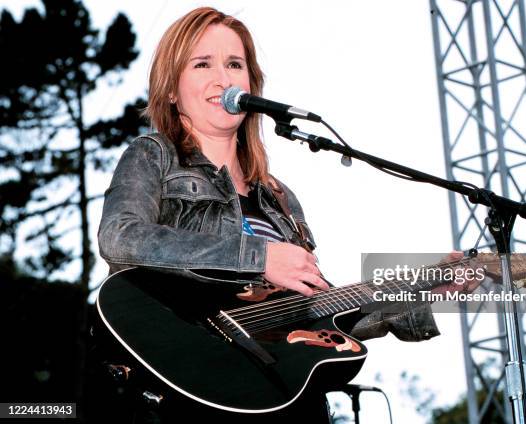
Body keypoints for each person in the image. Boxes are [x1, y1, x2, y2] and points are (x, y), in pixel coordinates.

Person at [95, 6, 479, 423]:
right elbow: (120, 236)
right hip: (195, 391)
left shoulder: (280, 198)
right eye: (202, 63)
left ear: (251, 83)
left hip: (285, 398)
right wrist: (259, 258)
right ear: (172, 89)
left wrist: (418, 294)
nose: (223, 78)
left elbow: (316, 316)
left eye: (235, 64)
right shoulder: (154, 155)